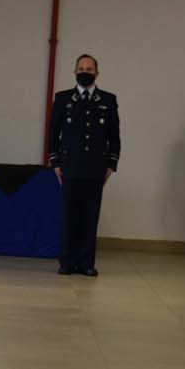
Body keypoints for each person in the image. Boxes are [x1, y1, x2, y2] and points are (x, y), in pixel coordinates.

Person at [49, 54, 118, 276]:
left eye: (89, 69)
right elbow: (53, 133)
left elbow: (114, 135)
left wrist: (111, 164)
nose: (84, 72)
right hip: (69, 166)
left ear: (97, 72)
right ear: (74, 72)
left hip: (96, 168)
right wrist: (55, 162)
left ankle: (87, 263)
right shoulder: (63, 99)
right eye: (80, 69)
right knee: (69, 216)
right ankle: (67, 262)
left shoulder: (107, 100)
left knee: (90, 217)